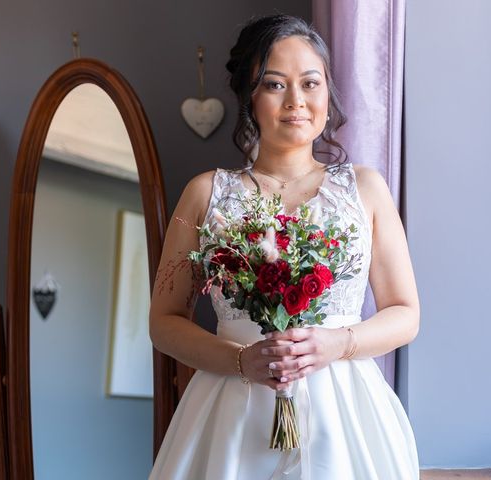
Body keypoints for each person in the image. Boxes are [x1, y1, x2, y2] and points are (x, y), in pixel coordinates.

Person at [148, 14, 420, 480]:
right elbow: (164, 322)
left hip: (347, 413)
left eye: (310, 84)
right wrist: (241, 360)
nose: (296, 101)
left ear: (327, 93)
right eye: (275, 85)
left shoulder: (366, 189)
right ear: (248, 96)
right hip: (232, 411)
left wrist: (337, 343)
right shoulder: (205, 194)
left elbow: (405, 313)